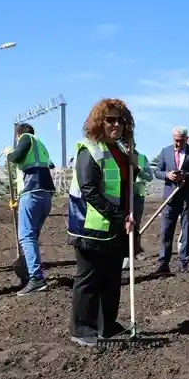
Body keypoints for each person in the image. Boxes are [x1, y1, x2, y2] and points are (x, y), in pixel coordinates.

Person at [67, 99, 138, 347]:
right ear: (99, 122)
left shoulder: (119, 151)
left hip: (115, 227)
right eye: (110, 119)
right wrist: (119, 216)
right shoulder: (89, 150)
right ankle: (82, 328)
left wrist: (134, 165)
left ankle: (106, 325)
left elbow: (125, 185)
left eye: (120, 120)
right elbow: (89, 189)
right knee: (89, 279)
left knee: (111, 279)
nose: (116, 124)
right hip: (90, 227)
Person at [4, 123, 57, 295]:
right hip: (44, 196)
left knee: (26, 237)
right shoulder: (41, 146)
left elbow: (17, 157)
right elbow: (50, 165)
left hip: (32, 193)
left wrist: (8, 154)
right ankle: (29, 271)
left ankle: (36, 278)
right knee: (31, 237)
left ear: (18, 134)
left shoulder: (26, 138)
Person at [152, 126, 189, 274]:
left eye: (180, 141)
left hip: (188, 197)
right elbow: (157, 172)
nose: (177, 143)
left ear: (186, 139)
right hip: (170, 197)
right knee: (166, 230)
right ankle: (163, 262)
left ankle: (183, 262)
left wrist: (186, 175)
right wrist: (167, 175)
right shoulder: (165, 151)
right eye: (175, 140)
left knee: (186, 229)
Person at [128, 148, 154, 261]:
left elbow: (149, 177)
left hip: (138, 195)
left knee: (136, 223)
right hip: (122, 195)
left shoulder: (142, 158)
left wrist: (138, 170)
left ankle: (135, 250)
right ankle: (123, 250)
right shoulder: (118, 156)